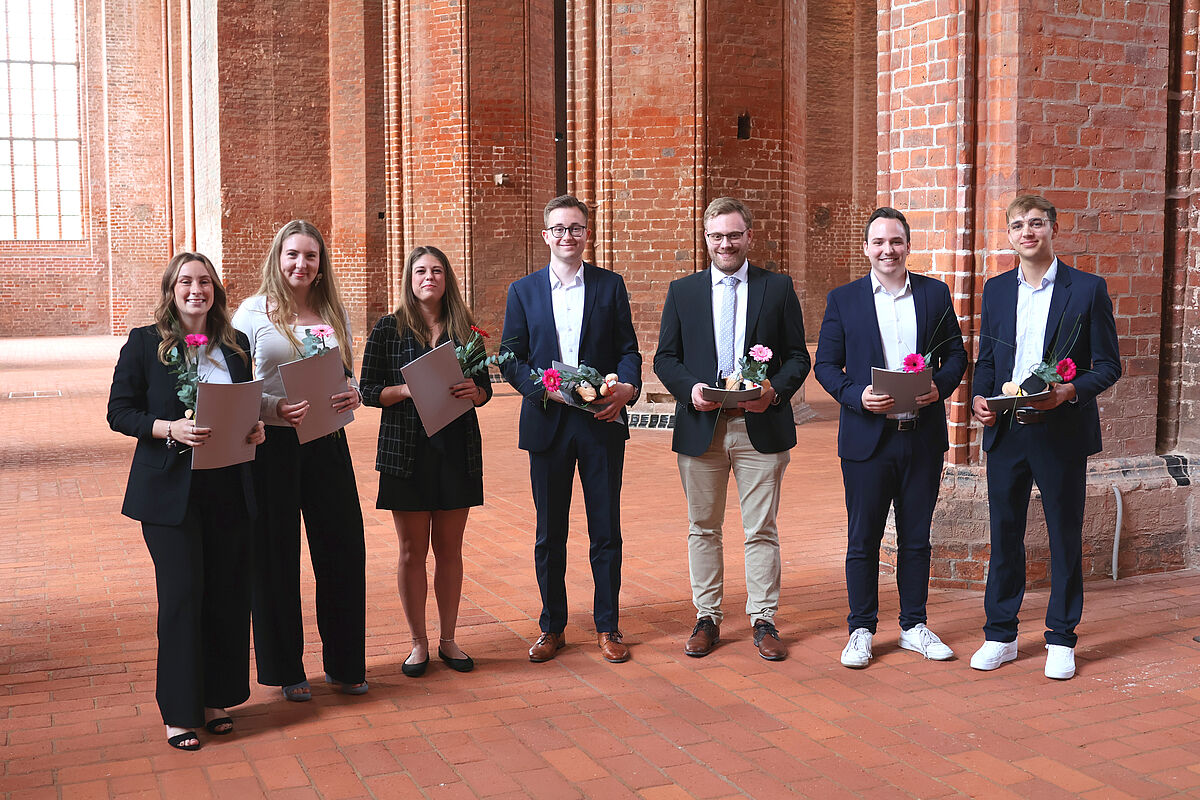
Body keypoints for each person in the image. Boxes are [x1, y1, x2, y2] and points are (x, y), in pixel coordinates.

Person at [107, 252, 266, 750]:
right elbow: (119, 411)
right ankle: (179, 712)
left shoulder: (236, 346)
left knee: (225, 594)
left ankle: (215, 698)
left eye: (205, 282)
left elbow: (246, 405)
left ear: (215, 289)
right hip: (169, 490)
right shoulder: (145, 343)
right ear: (172, 289)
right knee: (182, 596)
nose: (196, 290)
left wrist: (254, 430)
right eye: (186, 282)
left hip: (227, 485)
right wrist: (167, 427)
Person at [970, 194, 1121, 680]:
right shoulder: (994, 291)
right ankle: (1001, 634)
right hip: (1006, 430)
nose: (1027, 232)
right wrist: (979, 398)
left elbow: (1109, 366)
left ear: (1053, 228)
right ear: (1010, 236)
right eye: (1017, 226)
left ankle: (1061, 637)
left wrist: (1070, 392)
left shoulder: (1087, 290)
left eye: (1036, 223)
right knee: (1005, 534)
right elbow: (988, 361)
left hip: (1060, 430)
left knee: (1063, 535)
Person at [653, 196, 810, 661]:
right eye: (717, 236)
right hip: (702, 427)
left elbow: (799, 356)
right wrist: (690, 389)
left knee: (761, 528)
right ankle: (708, 617)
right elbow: (665, 357)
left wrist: (774, 392)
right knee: (703, 527)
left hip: (759, 426)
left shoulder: (777, 288)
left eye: (734, 234)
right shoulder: (682, 291)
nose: (726, 243)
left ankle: (763, 619)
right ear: (705, 240)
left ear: (749, 236)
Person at [814, 207, 968, 669]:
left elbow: (956, 355)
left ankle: (913, 625)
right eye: (879, 242)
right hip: (866, 438)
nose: (888, 250)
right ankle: (861, 628)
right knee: (863, 538)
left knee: (917, 537)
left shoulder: (935, 294)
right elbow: (825, 365)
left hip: (920, 436)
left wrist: (940, 387)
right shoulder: (844, 300)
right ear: (866, 248)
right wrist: (856, 395)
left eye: (896, 241)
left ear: (908, 245)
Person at [500, 195, 642, 664]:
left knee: (606, 530)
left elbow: (628, 350)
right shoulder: (522, 291)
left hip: (600, 421)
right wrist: (541, 389)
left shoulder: (610, 286)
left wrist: (627, 388)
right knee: (549, 533)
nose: (567, 236)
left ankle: (608, 626)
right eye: (559, 228)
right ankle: (552, 626)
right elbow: (511, 359)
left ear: (587, 234)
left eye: (576, 228)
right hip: (547, 423)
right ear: (546, 236)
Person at [232, 220, 367, 700]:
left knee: (343, 550)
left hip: (327, 440)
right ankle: (286, 669)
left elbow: (346, 376)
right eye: (292, 255)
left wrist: (351, 394)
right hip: (273, 445)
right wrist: (272, 409)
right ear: (278, 257)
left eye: (310, 256)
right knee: (275, 556)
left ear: (320, 263)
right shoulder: (251, 314)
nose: (301, 264)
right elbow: (234, 384)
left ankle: (346, 664)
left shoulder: (332, 310)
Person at [360, 246, 492, 676]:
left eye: (436, 270)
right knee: (412, 551)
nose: (429, 277)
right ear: (409, 278)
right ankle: (418, 643)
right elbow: (367, 391)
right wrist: (406, 391)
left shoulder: (466, 331)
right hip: (406, 451)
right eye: (421, 270)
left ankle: (449, 640)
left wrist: (477, 393)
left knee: (449, 550)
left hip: (456, 450)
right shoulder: (388, 328)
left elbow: (485, 389)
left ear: (446, 278)